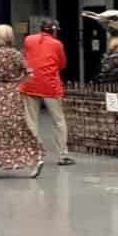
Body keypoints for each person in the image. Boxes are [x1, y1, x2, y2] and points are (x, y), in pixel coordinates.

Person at [0, 24, 44, 179]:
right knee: (17, 127)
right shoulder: (17, 53)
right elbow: (29, 73)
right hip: (14, 94)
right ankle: (35, 158)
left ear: (0, 37)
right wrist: (17, 83)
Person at [22, 18, 73, 166]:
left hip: (30, 83)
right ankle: (63, 155)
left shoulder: (28, 40)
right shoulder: (57, 44)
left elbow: (26, 56)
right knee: (58, 120)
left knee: (31, 119)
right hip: (50, 86)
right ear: (55, 30)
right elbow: (62, 64)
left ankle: (35, 153)